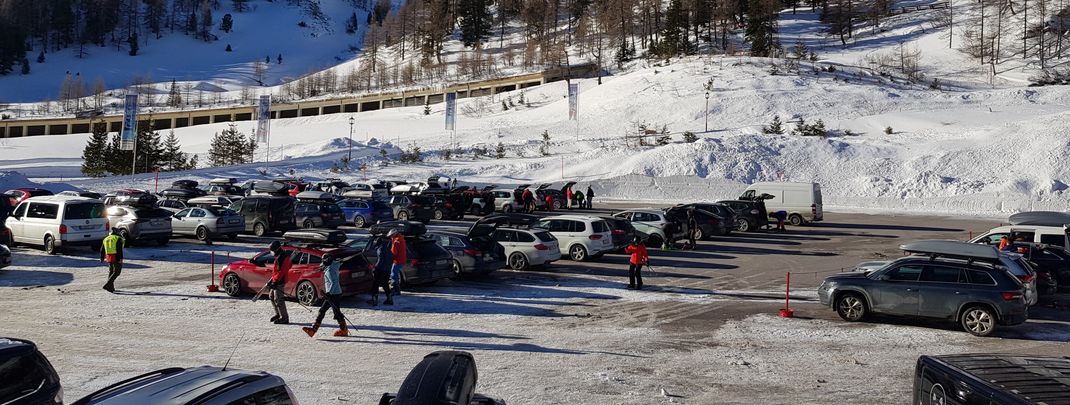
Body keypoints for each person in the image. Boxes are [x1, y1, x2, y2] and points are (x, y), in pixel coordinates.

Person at [302, 254, 348, 337]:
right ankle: (343, 329)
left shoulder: (330, 270)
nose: (322, 262)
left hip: (333, 294)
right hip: (337, 293)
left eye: (324, 261)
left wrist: (329, 293)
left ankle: (313, 330)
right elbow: (332, 266)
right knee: (336, 312)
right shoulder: (334, 265)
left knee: (322, 310)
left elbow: (334, 282)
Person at [267, 241, 291, 324]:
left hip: (280, 281)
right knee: (271, 296)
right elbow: (276, 271)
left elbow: (281, 271)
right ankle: (278, 314)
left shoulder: (282, 257)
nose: (272, 252)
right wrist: (272, 280)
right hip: (276, 279)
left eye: (272, 250)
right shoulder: (278, 256)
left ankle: (284, 318)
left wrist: (275, 281)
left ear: (277, 249)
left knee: (278, 299)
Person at [368, 236, 394, 306]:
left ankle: (374, 300)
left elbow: (381, 260)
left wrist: (375, 268)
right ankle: (389, 299)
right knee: (385, 283)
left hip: (381, 269)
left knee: (375, 283)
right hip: (387, 269)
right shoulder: (387, 249)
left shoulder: (380, 249)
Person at [99, 227, 126, 292]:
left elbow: (102, 249)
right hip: (116, 256)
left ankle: (110, 287)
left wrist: (102, 258)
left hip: (108, 256)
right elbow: (119, 249)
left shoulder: (106, 238)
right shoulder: (118, 238)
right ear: (117, 232)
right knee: (117, 272)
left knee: (111, 271)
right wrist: (120, 258)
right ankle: (108, 285)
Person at [389, 229, 407, 295]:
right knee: (395, 274)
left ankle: (394, 290)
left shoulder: (396, 242)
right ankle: (397, 290)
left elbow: (394, 253)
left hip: (397, 260)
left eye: (391, 236)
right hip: (402, 260)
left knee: (393, 274)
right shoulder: (401, 239)